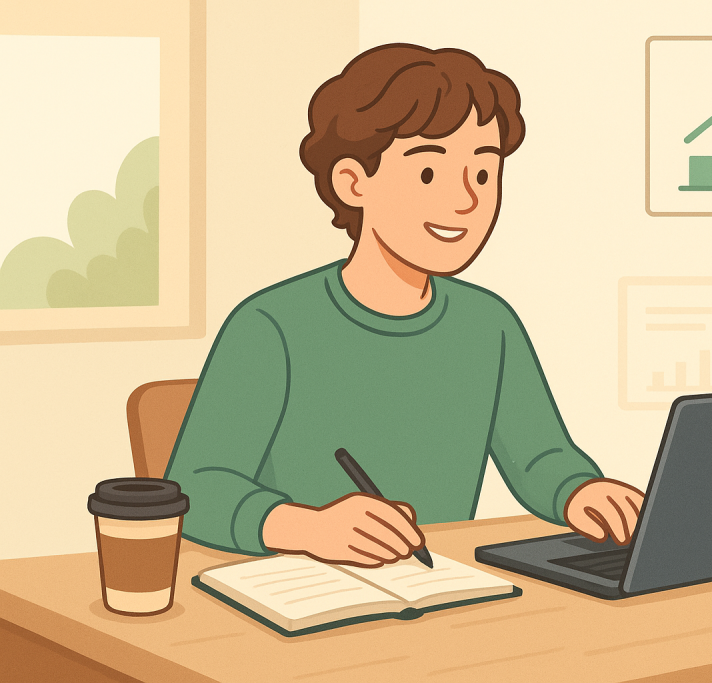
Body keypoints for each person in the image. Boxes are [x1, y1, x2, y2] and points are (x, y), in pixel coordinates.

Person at [165, 44, 644, 568]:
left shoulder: (489, 325)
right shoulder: (270, 325)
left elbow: (538, 457)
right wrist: (310, 527)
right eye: (428, 174)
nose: (467, 200)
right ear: (353, 182)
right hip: (301, 588)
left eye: (483, 174)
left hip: (440, 585)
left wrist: (580, 491)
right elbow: (196, 488)